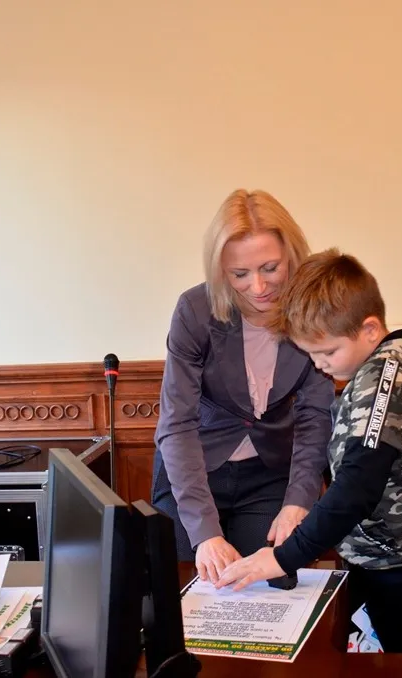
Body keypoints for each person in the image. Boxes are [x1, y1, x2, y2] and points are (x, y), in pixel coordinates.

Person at [216, 249, 402, 653]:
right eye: (310, 354)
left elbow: (357, 486)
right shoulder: (374, 371)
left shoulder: (388, 379)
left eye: (327, 352)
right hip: (383, 566)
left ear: (370, 329)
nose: (319, 365)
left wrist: (283, 557)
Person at [152, 189, 335, 583]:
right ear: (221, 271)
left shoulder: (314, 309)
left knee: (275, 582)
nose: (258, 287)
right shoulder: (195, 312)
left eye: (270, 268)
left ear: (292, 255)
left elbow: (315, 416)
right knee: (181, 584)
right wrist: (205, 533)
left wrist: (299, 501)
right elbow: (177, 423)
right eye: (240, 274)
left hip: (268, 474)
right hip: (194, 471)